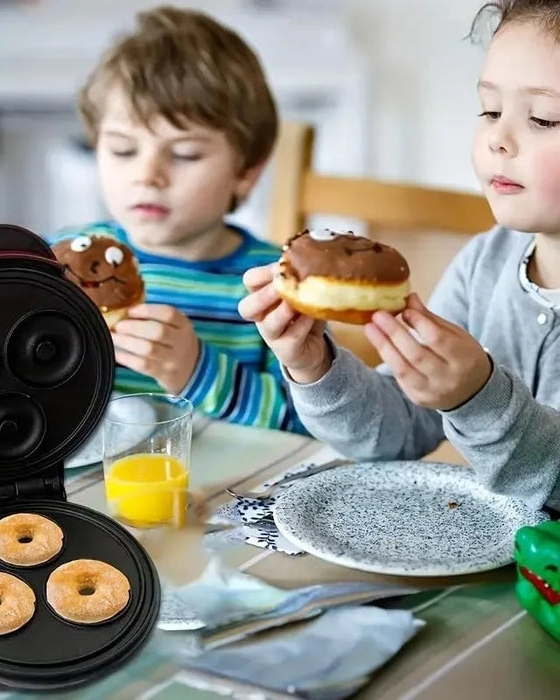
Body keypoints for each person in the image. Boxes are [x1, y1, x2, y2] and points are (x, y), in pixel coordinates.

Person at [238, 0, 560, 511]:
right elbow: (397, 432)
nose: (498, 138)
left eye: (544, 118)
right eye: (491, 111)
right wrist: (315, 366)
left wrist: (479, 398)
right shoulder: (484, 264)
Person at [47, 6, 304, 432]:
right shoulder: (56, 265)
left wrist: (197, 371)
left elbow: (307, 424)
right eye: (123, 150)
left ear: (246, 172)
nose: (148, 175)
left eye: (185, 154)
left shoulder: (273, 289)